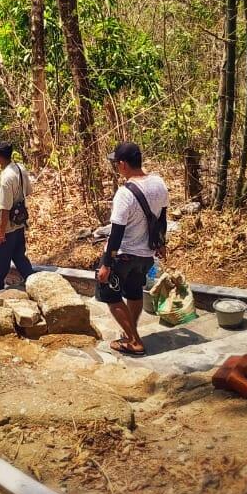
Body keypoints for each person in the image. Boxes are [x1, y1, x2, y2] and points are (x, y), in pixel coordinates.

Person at [96, 141, 169, 356]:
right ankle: (131, 332)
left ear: (123, 164)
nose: (117, 168)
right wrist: (162, 243)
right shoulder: (158, 183)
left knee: (109, 294)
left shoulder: (124, 194)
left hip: (124, 255)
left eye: (116, 164)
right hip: (146, 255)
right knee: (134, 292)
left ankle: (134, 341)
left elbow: (116, 233)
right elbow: (162, 217)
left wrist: (106, 264)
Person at [0, 141, 35, 290]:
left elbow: (4, 209)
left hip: (7, 227)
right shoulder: (20, 168)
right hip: (19, 221)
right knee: (19, 256)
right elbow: (28, 191)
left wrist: (1, 233)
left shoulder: (5, 178)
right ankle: (33, 283)